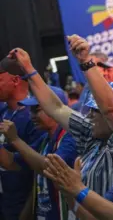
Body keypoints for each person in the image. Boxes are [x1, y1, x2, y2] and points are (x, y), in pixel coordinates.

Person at [11, 41, 113, 198]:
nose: (89, 115)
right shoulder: (92, 135)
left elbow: (112, 110)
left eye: (95, 111)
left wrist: (86, 61)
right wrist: (28, 69)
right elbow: (57, 108)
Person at [0, 86, 77, 220]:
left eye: (37, 110)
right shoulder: (44, 140)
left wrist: (15, 140)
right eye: (31, 110)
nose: (32, 115)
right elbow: (12, 162)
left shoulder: (70, 138)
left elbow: (50, 169)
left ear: (55, 109)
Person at [0, 56, 45, 219]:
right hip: (6, 200)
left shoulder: (34, 118)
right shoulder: (4, 110)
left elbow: (35, 169)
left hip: (24, 202)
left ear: (15, 80)